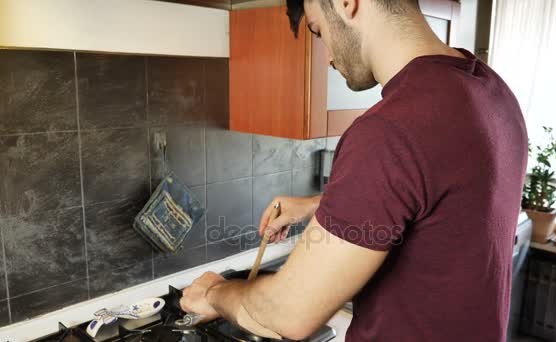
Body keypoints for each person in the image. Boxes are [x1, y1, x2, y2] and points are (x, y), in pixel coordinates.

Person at [180, 0, 528, 340]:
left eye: (318, 30)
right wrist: (320, 204)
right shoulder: (491, 91)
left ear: (348, 3)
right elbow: (435, 199)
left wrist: (216, 293)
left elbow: (287, 315)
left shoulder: (390, 130)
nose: (328, 56)